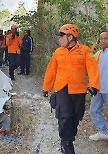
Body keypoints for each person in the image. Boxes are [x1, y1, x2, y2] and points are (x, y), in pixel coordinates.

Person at [42, 24, 100, 154]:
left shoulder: (85, 51)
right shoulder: (58, 52)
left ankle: (69, 138)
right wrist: (46, 87)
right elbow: (51, 70)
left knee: (75, 116)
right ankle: (66, 142)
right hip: (62, 88)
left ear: (70, 37)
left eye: (61, 36)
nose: (59, 39)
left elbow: (92, 68)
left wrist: (93, 85)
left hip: (78, 89)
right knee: (65, 116)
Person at [89, 31, 108, 141]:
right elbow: (90, 63)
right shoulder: (99, 53)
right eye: (101, 39)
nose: (103, 41)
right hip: (98, 88)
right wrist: (92, 51)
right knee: (94, 110)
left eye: (106, 38)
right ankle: (103, 132)